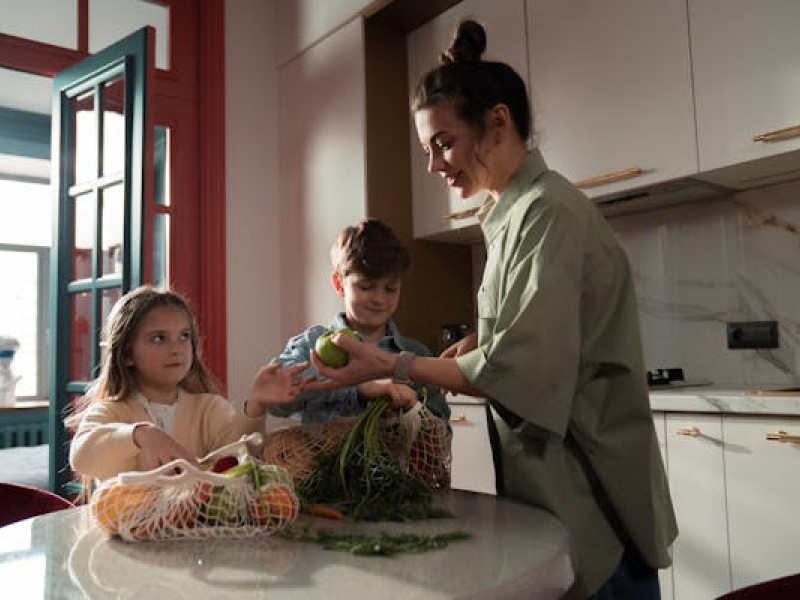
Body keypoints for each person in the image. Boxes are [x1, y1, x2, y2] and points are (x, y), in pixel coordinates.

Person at [307, 20, 677, 600]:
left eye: (444, 143)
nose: (434, 165)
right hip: (554, 487)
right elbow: (520, 343)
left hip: (589, 491)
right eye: (428, 149)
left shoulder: (547, 212)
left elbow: (521, 370)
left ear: (497, 121)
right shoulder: (509, 216)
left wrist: (389, 367)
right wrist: (479, 346)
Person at [68, 286, 310, 483]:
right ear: (126, 354)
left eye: (184, 336)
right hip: (126, 538)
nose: (176, 348)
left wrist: (255, 405)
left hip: (194, 535)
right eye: (159, 338)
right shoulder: (112, 411)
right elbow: (82, 456)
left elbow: (239, 457)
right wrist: (140, 434)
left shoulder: (209, 407)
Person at [268, 218, 449, 425]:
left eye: (390, 288)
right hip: (322, 457)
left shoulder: (416, 355)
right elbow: (275, 399)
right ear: (339, 283)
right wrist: (359, 390)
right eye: (365, 286)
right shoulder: (310, 345)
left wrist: (413, 410)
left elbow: (442, 428)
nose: (379, 299)